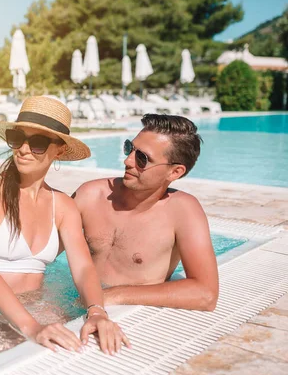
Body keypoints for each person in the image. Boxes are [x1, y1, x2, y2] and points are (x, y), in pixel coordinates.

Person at [0, 96, 130, 356]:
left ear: (60, 150)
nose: (23, 149)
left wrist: (97, 311)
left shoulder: (63, 205)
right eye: (17, 138)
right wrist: (31, 328)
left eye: (38, 143)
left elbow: (83, 267)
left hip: (39, 306)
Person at [71, 114, 219, 311]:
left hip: (120, 311)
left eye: (142, 158)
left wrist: (111, 296)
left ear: (174, 172)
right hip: (76, 300)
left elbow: (205, 294)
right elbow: (40, 252)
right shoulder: (90, 195)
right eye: (129, 149)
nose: (127, 161)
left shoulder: (183, 211)